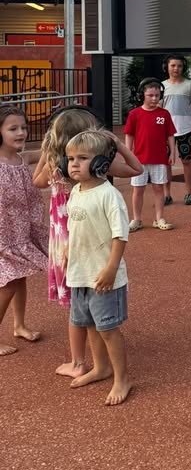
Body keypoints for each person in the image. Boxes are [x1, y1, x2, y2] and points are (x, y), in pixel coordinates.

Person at [33, 106, 141, 378]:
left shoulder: (56, 164)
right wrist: (116, 146)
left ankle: (79, 361)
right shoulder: (96, 165)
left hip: (63, 237)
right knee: (82, 303)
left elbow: (37, 181)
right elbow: (135, 168)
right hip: (81, 236)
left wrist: (49, 153)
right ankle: (91, 360)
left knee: (76, 303)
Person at [64, 129, 131, 406]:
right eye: (70, 159)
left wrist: (111, 268)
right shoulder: (76, 192)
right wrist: (68, 252)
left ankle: (122, 378)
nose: (74, 164)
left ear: (101, 163)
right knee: (89, 324)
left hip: (104, 275)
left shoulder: (109, 195)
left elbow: (120, 234)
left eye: (82, 158)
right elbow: (74, 227)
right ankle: (101, 368)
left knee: (107, 329)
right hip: (80, 273)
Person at [0, 105, 48, 355]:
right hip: (4, 234)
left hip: (23, 230)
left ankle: (19, 325)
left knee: (21, 276)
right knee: (8, 282)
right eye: (13, 128)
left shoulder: (24, 158)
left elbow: (49, 152)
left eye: (23, 127)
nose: (21, 132)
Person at [124, 77, 177, 231]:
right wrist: (128, 155)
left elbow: (170, 135)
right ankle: (136, 219)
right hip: (139, 159)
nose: (154, 98)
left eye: (157, 95)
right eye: (150, 95)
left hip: (159, 158)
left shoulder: (164, 114)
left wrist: (172, 153)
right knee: (138, 189)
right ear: (143, 95)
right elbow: (129, 135)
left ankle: (159, 218)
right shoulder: (135, 114)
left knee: (159, 188)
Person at [161, 54, 191, 207]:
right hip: (166, 130)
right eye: (173, 65)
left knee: (186, 160)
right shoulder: (161, 86)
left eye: (179, 66)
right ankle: (166, 194)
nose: (176, 69)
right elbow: (157, 109)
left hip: (185, 128)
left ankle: (188, 193)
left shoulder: (189, 84)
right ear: (167, 67)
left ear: (183, 67)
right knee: (166, 162)